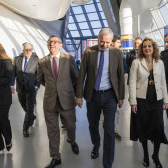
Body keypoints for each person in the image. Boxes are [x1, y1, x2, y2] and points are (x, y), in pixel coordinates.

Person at [76, 28, 125, 168]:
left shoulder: (116, 53)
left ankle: (107, 163)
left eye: (107, 42)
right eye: (101, 42)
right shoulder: (89, 52)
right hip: (93, 95)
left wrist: (120, 96)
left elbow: (121, 76)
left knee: (109, 129)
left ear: (112, 41)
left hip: (110, 95)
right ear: (98, 39)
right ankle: (96, 144)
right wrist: (78, 95)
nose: (104, 45)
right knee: (93, 124)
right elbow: (82, 75)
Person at [37, 35, 79, 168]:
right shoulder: (42, 62)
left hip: (66, 98)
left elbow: (76, 77)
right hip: (50, 101)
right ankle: (55, 157)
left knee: (70, 125)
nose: (52, 44)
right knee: (52, 130)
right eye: (50, 42)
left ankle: (71, 141)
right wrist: (52, 87)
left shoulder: (68, 58)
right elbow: (40, 79)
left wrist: (64, 87)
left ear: (61, 45)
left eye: (55, 42)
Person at [129, 37, 168, 168]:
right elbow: (132, 83)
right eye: (144, 46)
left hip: (156, 100)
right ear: (141, 49)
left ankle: (155, 156)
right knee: (144, 128)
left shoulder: (160, 63)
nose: (147, 48)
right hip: (141, 101)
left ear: (153, 48)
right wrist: (133, 102)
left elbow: (163, 82)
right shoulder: (136, 62)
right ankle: (146, 154)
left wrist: (166, 99)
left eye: (149, 46)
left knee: (158, 128)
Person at [12, 42, 40, 137]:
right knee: (23, 104)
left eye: (29, 50)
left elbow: (39, 75)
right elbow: (13, 73)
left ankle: (25, 128)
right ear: (23, 50)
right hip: (20, 87)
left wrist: (36, 86)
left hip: (31, 88)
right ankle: (32, 116)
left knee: (29, 108)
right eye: (26, 49)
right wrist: (12, 85)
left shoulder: (36, 60)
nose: (27, 51)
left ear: (32, 50)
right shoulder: (17, 59)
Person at [112, 35, 127, 141]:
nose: (120, 44)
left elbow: (124, 70)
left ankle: (115, 130)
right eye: (118, 42)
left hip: (117, 86)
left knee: (116, 110)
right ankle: (108, 125)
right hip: (105, 87)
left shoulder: (121, 55)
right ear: (112, 42)